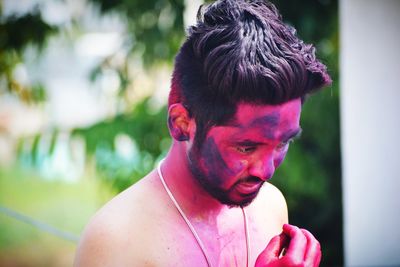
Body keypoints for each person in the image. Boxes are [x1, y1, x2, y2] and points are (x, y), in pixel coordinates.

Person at [74, 0, 331, 266]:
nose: (266, 172)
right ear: (182, 123)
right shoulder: (116, 241)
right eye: (246, 147)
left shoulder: (270, 205)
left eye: (282, 143)